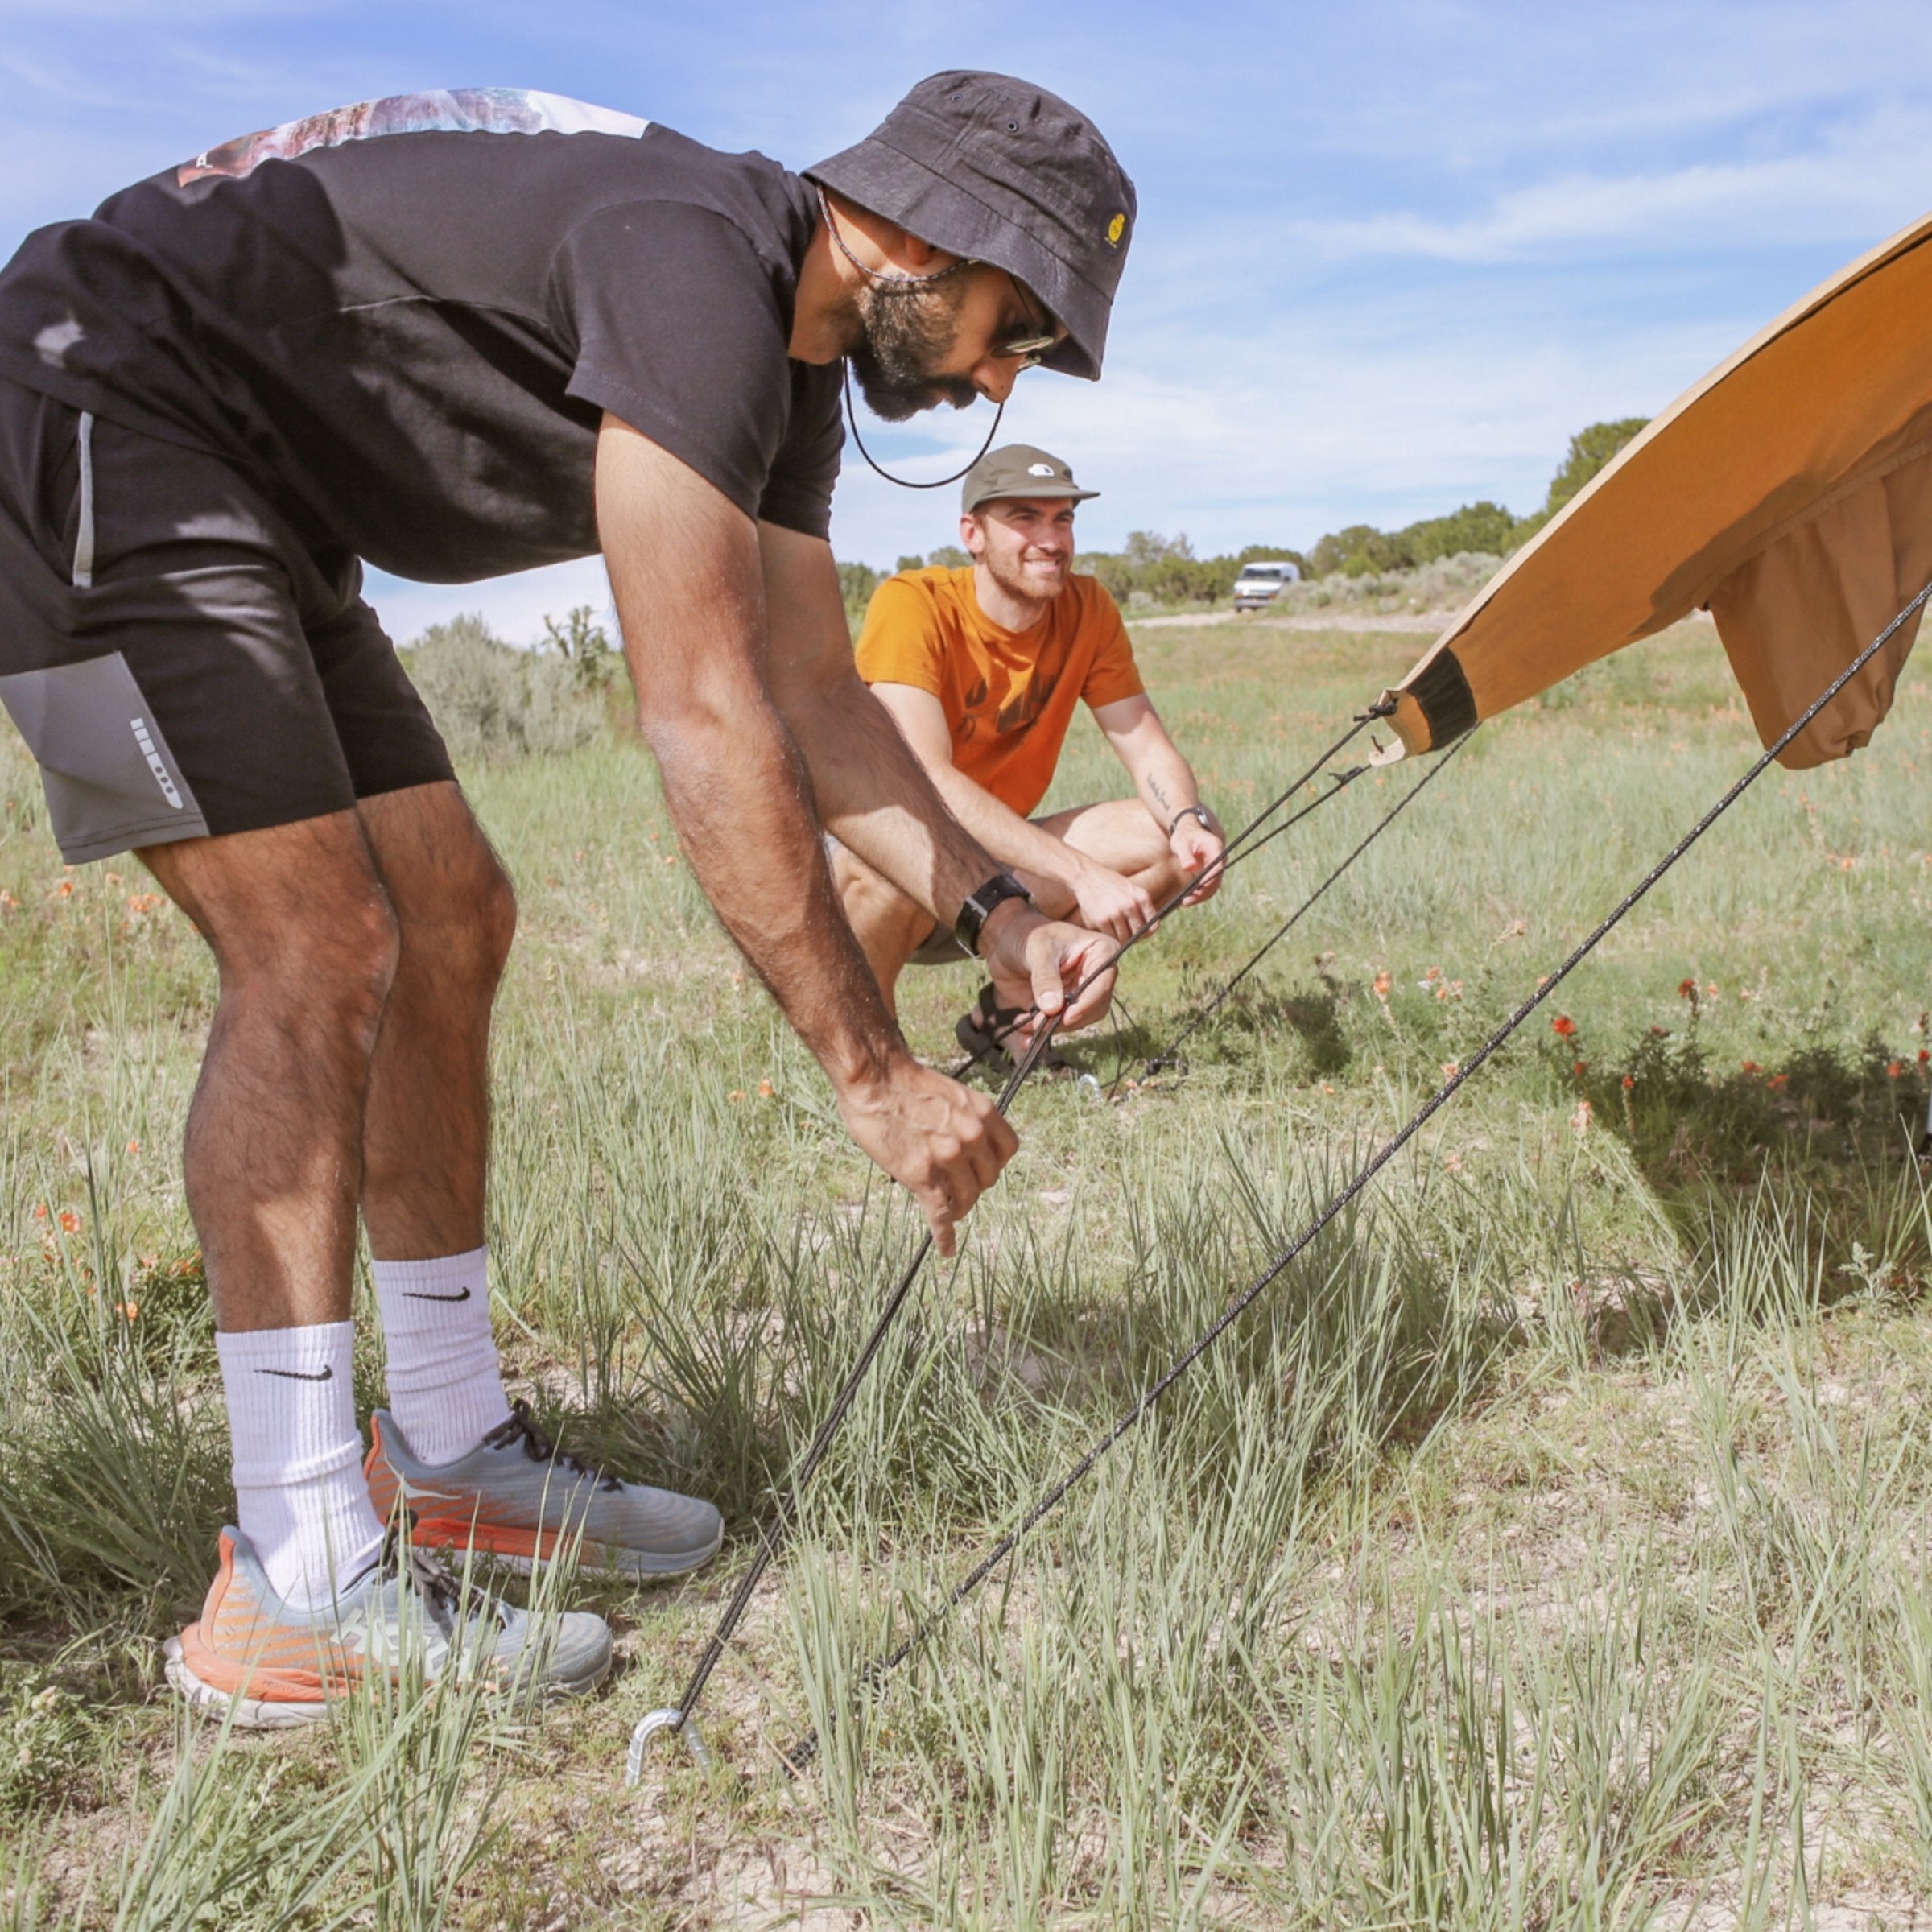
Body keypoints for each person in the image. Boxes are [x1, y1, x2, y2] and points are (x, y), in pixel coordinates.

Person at [0, 74, 1136, 1724]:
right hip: (81, 421)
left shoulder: (792, 372)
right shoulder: (697, 272)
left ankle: (450, 1453)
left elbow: (818, 705)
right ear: (912, 233)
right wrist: (871, 1073)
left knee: (453, 914)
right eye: (1010, 323)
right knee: (312, 945)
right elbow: (700, 710)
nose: (999, 379)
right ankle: (294, 1576)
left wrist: (1001, 919)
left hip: (260, 501)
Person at [835, 443, 1224, 1062]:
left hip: (994, 860)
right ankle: (872, 1060)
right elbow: (922, 781)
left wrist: (1185, 822)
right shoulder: (914, 603)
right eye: (1024, 517)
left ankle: (1010, 1020)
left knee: (1174, 839)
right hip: (897, 855)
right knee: (887, 860)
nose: (1051, 538)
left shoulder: (1087, 608)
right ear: (973, 534)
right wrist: (1078, 874)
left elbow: (1146, 743)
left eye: (1063, 518)